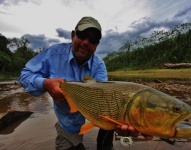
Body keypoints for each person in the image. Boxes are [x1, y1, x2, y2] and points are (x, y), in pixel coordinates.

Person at [18, 16, 152, 150]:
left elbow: (104, 101)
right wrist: (46, 84)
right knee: (69, 142)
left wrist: (123, 122)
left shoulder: (99, 66)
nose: (86, 42)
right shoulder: (53, 54)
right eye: (82, 35)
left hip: (93, 115)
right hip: (67, 124)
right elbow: (25, 75)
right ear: (72, 35)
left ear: (96, 45)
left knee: (112, 118)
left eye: (93, 40)